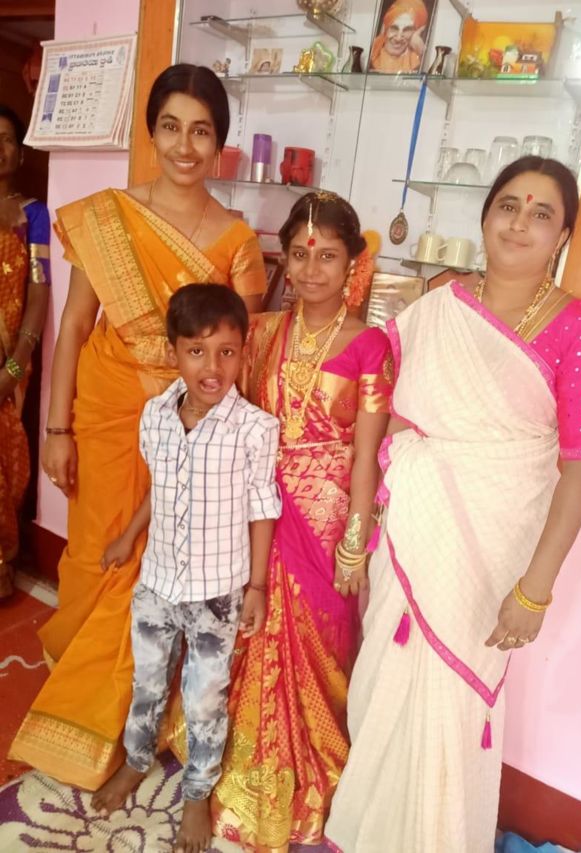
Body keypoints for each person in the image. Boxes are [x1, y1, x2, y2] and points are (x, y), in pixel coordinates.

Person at [325, 157, 581, 853]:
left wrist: (536, 589)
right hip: (413, 522)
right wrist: (366, 519)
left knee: (453, 704)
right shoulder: (439, 302)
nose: (519, 223)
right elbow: (386, 409)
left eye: (541, 213)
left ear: (562, 235)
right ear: (485, 217)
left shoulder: (580, 328)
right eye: (508, 205)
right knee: (384, 679)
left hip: (491, 546)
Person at [10, 64, 266, 787]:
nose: (185, 145)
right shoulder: (107, 217)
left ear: (219, 143)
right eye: (171, 127)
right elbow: (73, 323)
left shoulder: (237, 238)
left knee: (170, 562)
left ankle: (148, 716)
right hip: (106, 408)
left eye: (202, 131)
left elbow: (236, 354)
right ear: (151, 133)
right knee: (103, 555)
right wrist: (56, 428)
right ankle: (91, 702)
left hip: (191, 423)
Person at [210, 192, 393, 851]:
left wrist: (355, 543)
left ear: (353, 264)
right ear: (284, 259)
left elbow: (367, 453)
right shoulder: (258, 332)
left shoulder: (370, 345)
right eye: (299, 254)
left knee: (323, 645)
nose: (311, 269)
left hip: (326, 517)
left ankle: (314, 773)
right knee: (251, 632)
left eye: (328, 256)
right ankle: (244, 773)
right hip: (259, 506)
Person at [91, 284, 281, 853]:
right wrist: (129, 536)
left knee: (203, 698)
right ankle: (136, 759)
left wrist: (256, 585)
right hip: (156, 582)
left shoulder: (254, 429)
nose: (211, 367)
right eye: (196, 351)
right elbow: (161, 486)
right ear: (173, 350)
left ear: (243, 353)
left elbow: (262, 508)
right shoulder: (155, 415)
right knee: (147, 681)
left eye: (226, 352)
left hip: (216, 593)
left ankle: (197, 793)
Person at [0, 105, 50, 599]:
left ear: (21, 152)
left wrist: (14, 366)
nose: (0, 148)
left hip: (7, 360)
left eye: (8, 138)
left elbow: (39, 292)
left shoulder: (33, 214)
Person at [369, 0, 429, 73]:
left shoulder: (415, 60)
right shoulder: (372, 54)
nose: (398, 38)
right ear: (385, 28)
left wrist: (421, 52)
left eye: (407, 30)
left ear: (416, 32)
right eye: (394, 28)